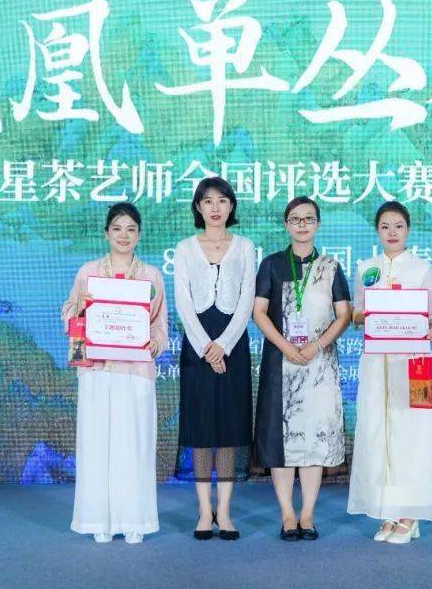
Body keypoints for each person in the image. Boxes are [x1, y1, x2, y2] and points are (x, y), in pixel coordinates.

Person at [62, 202, 167, 545]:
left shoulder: (151, 276)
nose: (124, 235)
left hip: (135, 372)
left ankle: (135, 519)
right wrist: (80, 306)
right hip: (97, 370)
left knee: (133, 444)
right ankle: (99, 520)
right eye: (117, 228)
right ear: (106, 233)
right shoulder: (88, 272)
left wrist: (153, 343)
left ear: (139, 235)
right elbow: (69, 315)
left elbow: (160, 326)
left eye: (131, 229)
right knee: (96, 445)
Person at [252, 196, 351, 541]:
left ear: (318, 224)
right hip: (281, 363)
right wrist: (286, 346)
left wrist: (316, 345)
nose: (302, 225)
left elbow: (344, 315)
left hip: (319, 365)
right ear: (286, 225)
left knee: (313, 441)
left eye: (309, 219)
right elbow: (258, 311)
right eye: (295, 219)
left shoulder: (331, 267)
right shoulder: (271, 264)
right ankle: (287, 514)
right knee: (281, 444)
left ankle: (307, 514)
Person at [347, 201, 432, 545]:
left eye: (398, 226)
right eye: (385, 226)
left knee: (412, 436)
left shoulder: (421, 269)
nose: (392, 232)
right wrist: (365, 316)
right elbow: (356, 314)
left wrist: (430, 330)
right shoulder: (366, 269)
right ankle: (388, 511)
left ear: (408, 230)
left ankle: (410, 515)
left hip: (414, 365)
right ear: (377, 230)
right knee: (377, 435)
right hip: (376, 365)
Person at [172, 177, 256, 540]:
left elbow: (247, 300)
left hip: (233, 345)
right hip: (197, 347)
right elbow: (183, 302)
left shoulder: (245, 247)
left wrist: (223, 345)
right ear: (198, 207)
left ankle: (224, 511)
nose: (216, 207)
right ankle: (204, 511)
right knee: (202, 428)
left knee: (229, 428)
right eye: (208, 201)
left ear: (231, 206)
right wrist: (207, 347)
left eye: (222, 200)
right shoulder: (184, 248)